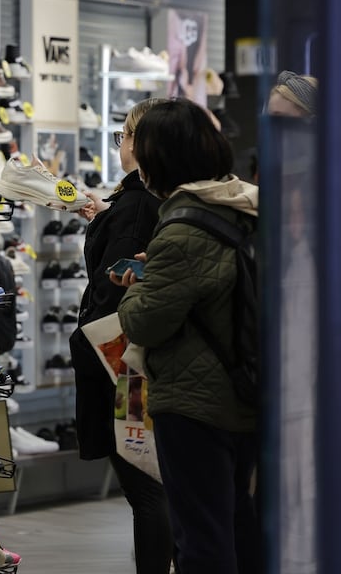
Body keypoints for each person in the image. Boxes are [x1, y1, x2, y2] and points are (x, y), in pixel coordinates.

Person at [116, 98, 259, 574]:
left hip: (194, 402)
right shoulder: (246, 207)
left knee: (201, 538)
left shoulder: (181, 229)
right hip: (246, 387)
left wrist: (138, 288)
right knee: (239, 524)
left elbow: (144, 321)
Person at [69, 98, 175, 574]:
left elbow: (110, 288)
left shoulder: (135, 205)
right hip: (142, 359)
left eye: (125, 136)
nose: (120, 146)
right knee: (154, 485)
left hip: (122, 365)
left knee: (145, 488)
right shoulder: (157, 198)